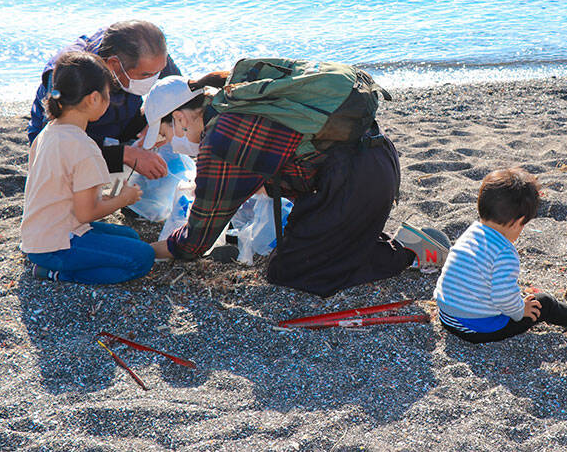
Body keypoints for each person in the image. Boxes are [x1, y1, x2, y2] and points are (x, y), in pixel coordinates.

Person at [142, 71, 448, 297]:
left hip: (355, 181)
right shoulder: (234, 101)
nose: (171, 145)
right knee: (297, 250)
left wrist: (145, 251)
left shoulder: (218, 140)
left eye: (166, 136)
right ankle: (360, 237)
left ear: (181, 118)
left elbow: (195, 242)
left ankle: (404, 251)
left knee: (291, 271)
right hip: (372, 162)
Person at [20, 51, 169, 284]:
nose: (109, 102)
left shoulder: (48, 132)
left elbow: (60, 189)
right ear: (93, 99)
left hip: (38, 235)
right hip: (59, 244)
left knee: (130, 236)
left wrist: (110, 195)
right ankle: (56, 273)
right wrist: (123, 200)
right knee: (142, 258)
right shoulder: (84, 147)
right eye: (107, 95)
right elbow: (86, 213)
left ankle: (49, 263)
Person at [434, 168, 567, 344]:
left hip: (447, 316)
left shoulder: (472, 232)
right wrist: (519, 311)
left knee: (512, 292)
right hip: (474, 329)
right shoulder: (504, 253)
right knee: (544, 303)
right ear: (517, 223)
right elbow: (502, 297)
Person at [27, 21, 181, 179]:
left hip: (121, 120)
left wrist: (162, 120)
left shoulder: (151, 53)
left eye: (159, 71)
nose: (154, 78)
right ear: (113, 64)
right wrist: (125, 155)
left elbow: (179, 92)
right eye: (146, 75)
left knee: (179, 124)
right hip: (71, 140)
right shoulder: (71, 71)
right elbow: (59, 147)